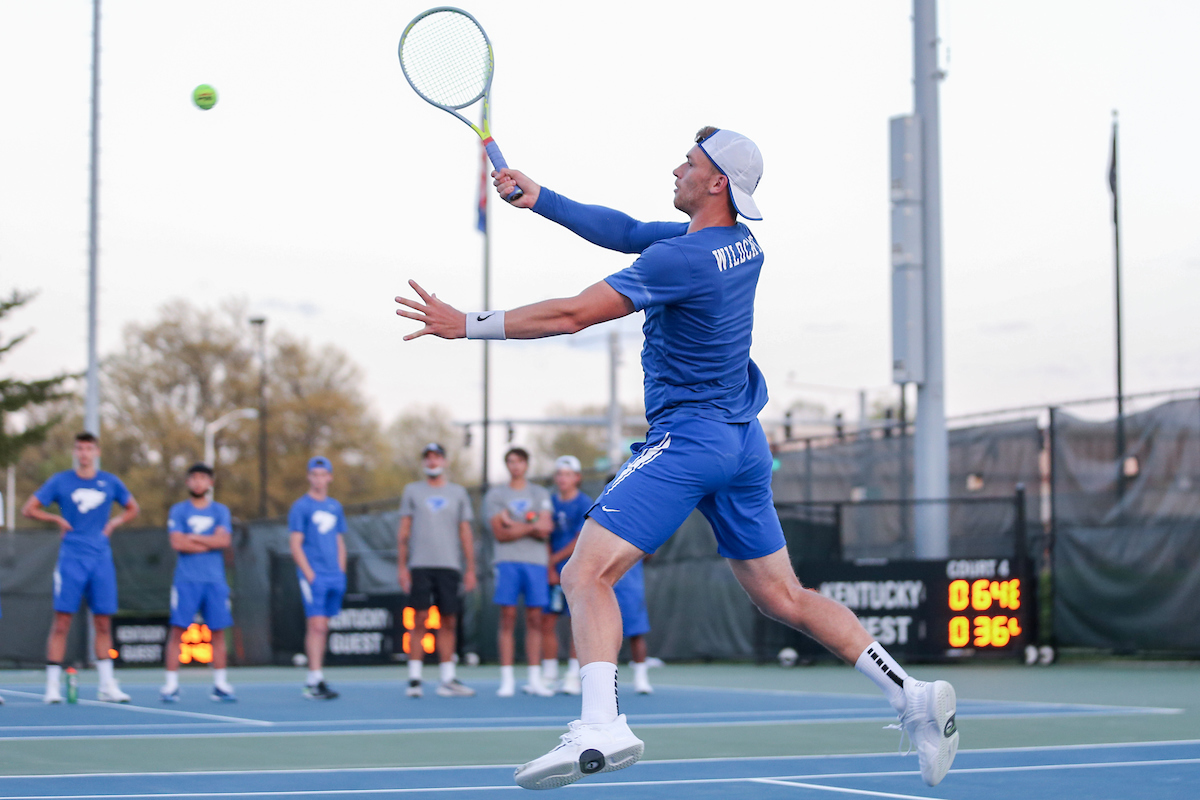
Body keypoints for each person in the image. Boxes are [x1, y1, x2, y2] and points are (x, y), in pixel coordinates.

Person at [395, 126, 958, 790]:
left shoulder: (681, 262)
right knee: (786, 596)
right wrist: (539, 197)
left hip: (689, 439)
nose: (677, 168)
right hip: (743, 441)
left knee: (584, 574)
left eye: (689, 163)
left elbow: (575, 314)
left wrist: (467, 323)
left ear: (716, 182)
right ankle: (910, 694)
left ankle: (602, 725)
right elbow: (627, 227)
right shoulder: (740, 245)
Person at [22, 432, 140, 703]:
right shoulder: (61, 481)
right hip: (72, 559)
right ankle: (52, 687)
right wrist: (55, 519)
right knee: (62, 621)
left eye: (89, 449)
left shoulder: (110, 482)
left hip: (101, 559)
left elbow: (133, 508)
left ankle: (107, 685)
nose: (84, 453)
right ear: (75, 452)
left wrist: (114, 524)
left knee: (103, 622)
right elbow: (29, 508)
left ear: (97, 452)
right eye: (80, 449)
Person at [397, 442, 477, 698]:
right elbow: (404, 531)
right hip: (420, 565)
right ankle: (414, 678)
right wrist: (402, 566)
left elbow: (465, 532)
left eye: (437, 457)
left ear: (445, 461)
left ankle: (447, 678)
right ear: (423, 462)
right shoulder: (412, 491)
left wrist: (471, 568)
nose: (433, 461)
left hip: (449, 565)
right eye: (428, 457)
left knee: (449, 620)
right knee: (419, 619)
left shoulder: (458, 493)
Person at [161, 463, 236, 703]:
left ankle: (220, 685)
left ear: (210, 483)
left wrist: (193, 537)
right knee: (178, 632)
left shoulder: (220, 511)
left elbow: (224, 540)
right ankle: (171, 686)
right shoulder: (178, 511)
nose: (198, 482)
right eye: (194, 478)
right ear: (187, 482)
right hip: (186, 580)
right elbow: (177, 543)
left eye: (203, 478)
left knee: (218, 633)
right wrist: (208, 541)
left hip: (215, 581)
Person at [483, 447, 554, 697]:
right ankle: (507, 680)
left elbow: (546, 528)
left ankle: (535, 679)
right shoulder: (496, 495)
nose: (516, 466)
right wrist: (530, 524)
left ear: (526, 464)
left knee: (536, 619)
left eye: (520, 461)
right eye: (511, 462)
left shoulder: (540, 492)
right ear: (507, 465)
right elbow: (500, 534)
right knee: (508, 618)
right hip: (507, 562)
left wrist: (514, 524)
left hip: (536, 563)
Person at [288, 456, 347, 700]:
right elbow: (295, 543)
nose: (319, 479)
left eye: (324, 474)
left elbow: (339, 540)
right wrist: (309, 573)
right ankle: (313, 680)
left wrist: (341, 570)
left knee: (324, 627)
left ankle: (317, 676)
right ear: (309, 477)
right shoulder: (301, 507)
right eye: (315, 474)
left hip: (335, 576)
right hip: (314, 575)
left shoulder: (335, 507)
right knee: (316, 625)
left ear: (330, 477)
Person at [541, 455, 588, 695]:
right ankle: (549, 675)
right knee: (547, 620)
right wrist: (550, 567)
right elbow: (545, 534)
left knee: (575, 622)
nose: (562, 478)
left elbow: (580, 539)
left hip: (577, 571)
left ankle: (572, 675)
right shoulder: (549, 502)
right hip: (552, 573)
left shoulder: (584, 503)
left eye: (568, 474)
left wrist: (555, 560)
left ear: (577, 478)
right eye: (559, 473)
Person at [613, 559, 654, 695]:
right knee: (601, 637)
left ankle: (641, 678)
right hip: (605, 588)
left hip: (631, 588)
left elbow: (649, 554)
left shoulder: (636, 540)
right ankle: (601, 680)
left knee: (636, 633)